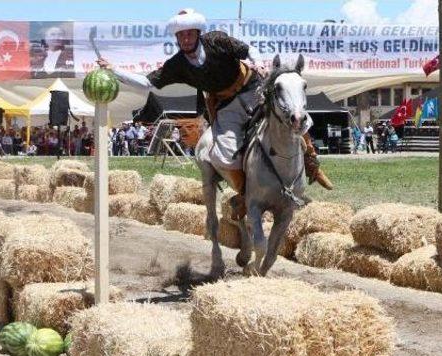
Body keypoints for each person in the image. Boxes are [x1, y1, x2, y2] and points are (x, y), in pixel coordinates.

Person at [97, 9, 333, 213]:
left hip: (252, 88)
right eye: (181, 35)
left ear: (198, 33)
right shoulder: (177, 64)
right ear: (177, 39)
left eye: (189, 33)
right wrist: (114, 70)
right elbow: (148, 83)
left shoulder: (216, 40)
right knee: (226, 153)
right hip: (225, 105)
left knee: (292, 114)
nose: (186, 39)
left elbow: (247, 49)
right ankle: (245, 194)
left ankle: (312, 166)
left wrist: (258, 63)